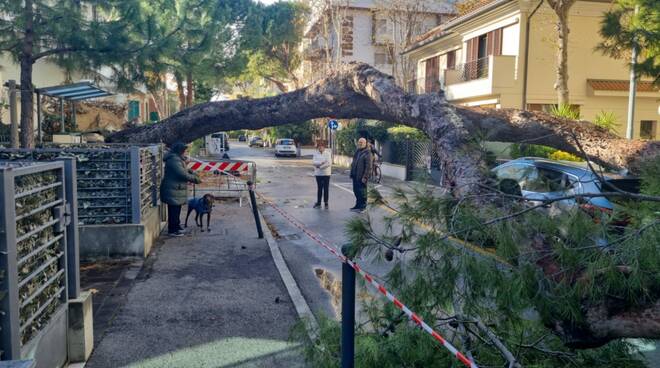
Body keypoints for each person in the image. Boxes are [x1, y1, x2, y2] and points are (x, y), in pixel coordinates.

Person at [160, 142, 201, 236]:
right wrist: (195, 178)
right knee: (174, 209)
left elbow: (182, 170)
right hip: (173, 189)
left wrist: (187, 166)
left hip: (175, 189)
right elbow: (181, 174)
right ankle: (173, 230)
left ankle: (176, 226)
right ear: (180, 151)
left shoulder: (177, 159)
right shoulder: (174, 160)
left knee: (176, 208)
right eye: (184, 151)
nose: (185, 153)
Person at [349, 137, 373, 212]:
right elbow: (354, 162)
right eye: (359, 142)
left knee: (362, 192)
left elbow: (368, 166)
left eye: (362, 142)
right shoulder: (357, 151)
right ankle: (357, 205)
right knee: (356, 191)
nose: (360, 143)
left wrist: (365, 177)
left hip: (362, 177)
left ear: (365, 144)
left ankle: (363, 207)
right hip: (355, 175)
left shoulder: (368, 153)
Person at [312, 142, 332, 209]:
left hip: (326, 173)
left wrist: (319, 167)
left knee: (326, 188)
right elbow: (314, 162)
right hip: (318, 174)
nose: (320, 148)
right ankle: (318, 202)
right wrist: (321, 162)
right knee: (319, 188)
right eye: (319, 147)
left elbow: (328, 163)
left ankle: (326, 203)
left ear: (324, 147)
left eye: (321, 146)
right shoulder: (315, 153)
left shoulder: (328, 154)